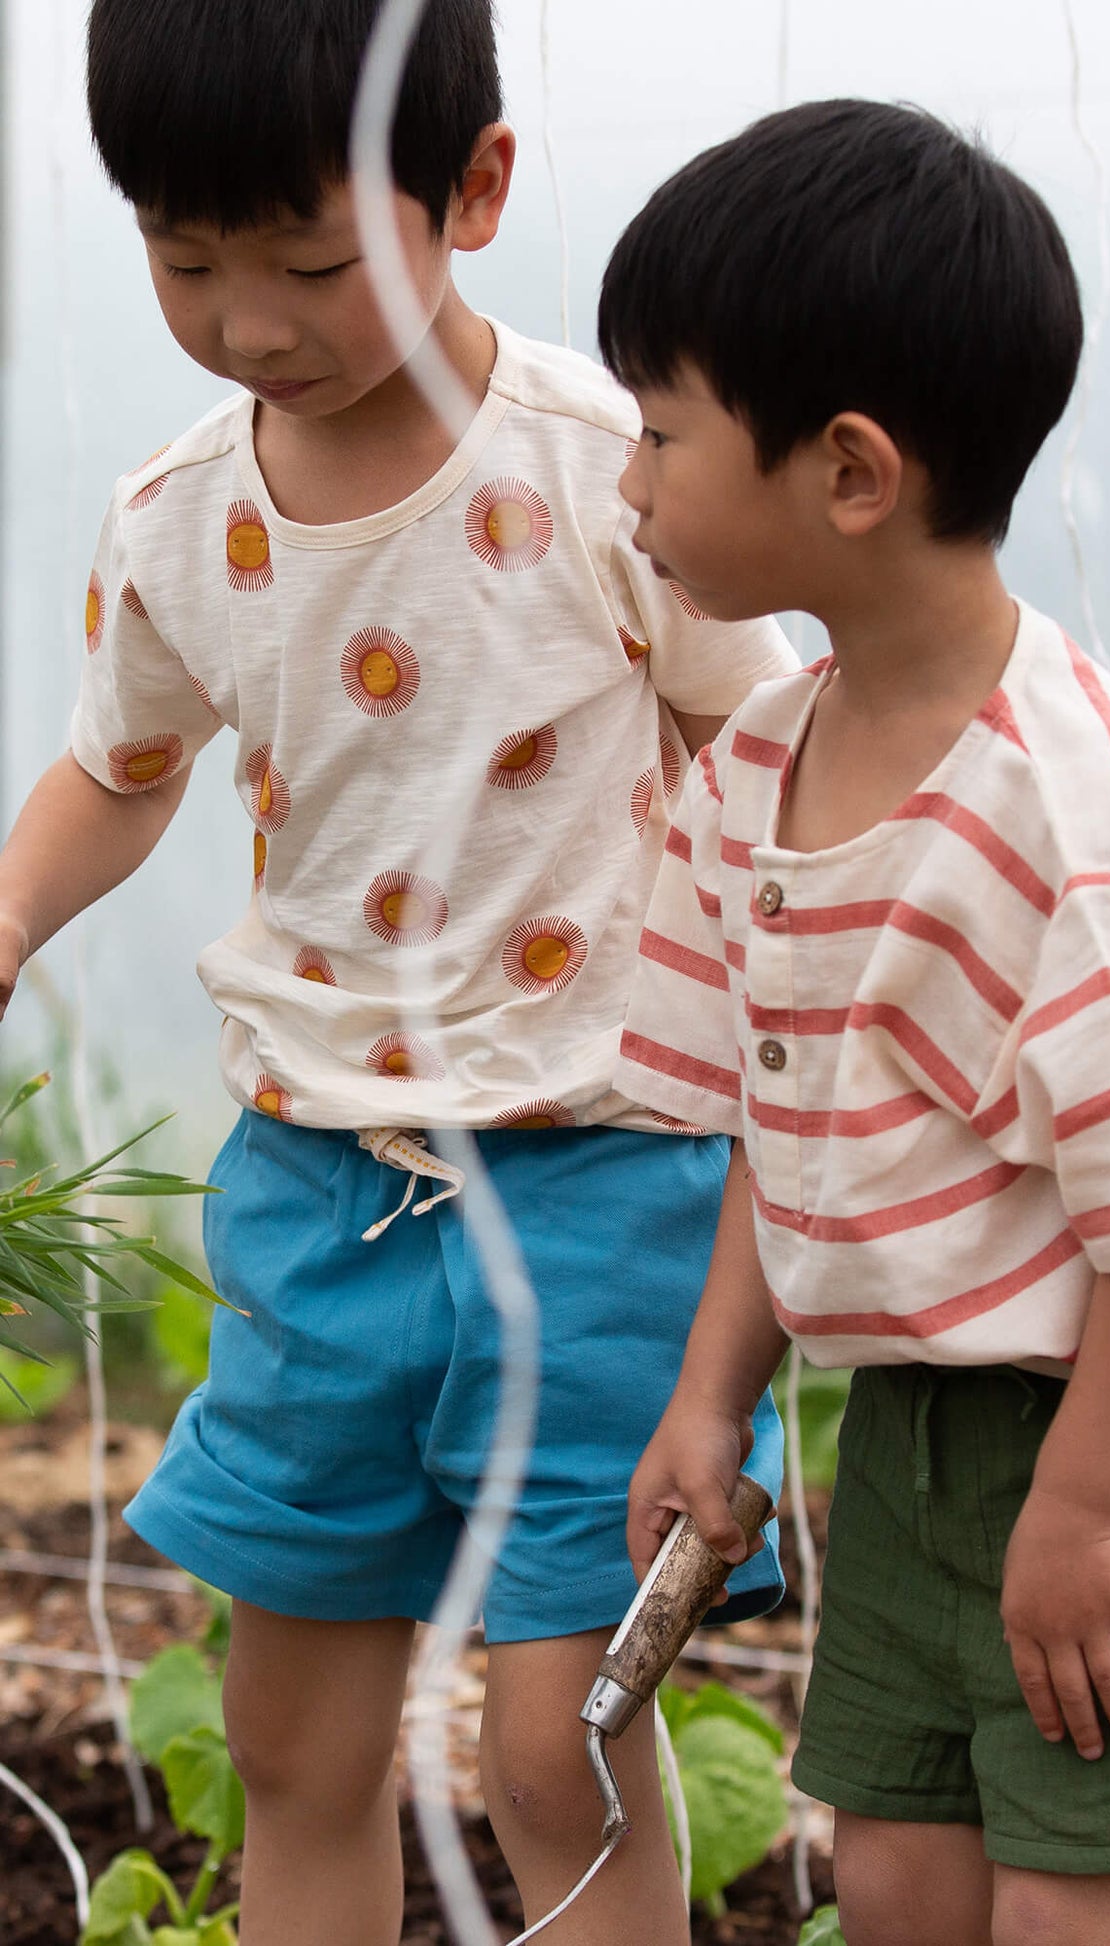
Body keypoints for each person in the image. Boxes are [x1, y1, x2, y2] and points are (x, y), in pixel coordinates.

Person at [0, 3, 797, 1939]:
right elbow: (122, 768)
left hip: (608, 1179)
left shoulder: (616, 471)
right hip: (321, 1190)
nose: (249, 321)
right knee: (288, 1731)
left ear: (478, 189)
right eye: (185, 261)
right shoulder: (183, 516)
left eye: (307, 260)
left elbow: (758, 749)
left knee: (558, 1742)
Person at [603, 98, 1110, 1946]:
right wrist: (715, 1392)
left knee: (1061, 1903)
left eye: (660, 432)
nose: (627, 484)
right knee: (896, 1876)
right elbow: (782, 1124)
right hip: (923, 1431)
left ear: (849, 472)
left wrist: (1080, 1510)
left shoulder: (1087, 816)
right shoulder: (763, 772)